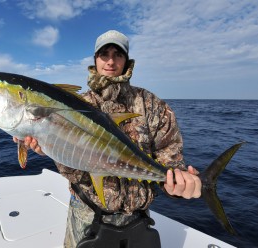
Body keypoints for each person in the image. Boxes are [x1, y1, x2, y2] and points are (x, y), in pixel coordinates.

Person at [14, 30, 201, 247]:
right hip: (85, 215)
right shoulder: (75, 105)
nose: (110, 61)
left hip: (139, 218)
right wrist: (47, 145)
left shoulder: (152, 105)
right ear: (95, 60)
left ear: (127, 61)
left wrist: (176, 186)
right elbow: (72, 169)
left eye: (117, 54)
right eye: (104, 54)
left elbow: (171, 159)